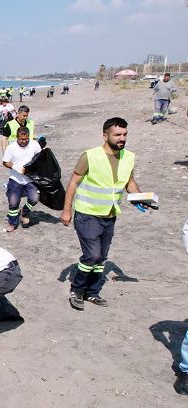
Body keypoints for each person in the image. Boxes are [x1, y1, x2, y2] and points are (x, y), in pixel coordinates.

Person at [60, 117, 147, 310]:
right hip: (87, 214)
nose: (122, 138)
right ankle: (77, 289)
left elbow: (129, 182)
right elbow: (73, 182)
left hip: (110, 214)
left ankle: (92, 292)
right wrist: (67, 210)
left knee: (101, 258)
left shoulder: (129, 157)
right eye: (117, 135)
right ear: (105, 135)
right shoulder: (89, 156)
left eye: (124, 134)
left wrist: (140, 198)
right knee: (92, 255)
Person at [2, 127, 41, 232]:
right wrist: (15, 167)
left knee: (34, 198)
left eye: (26, 139)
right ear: (17, 138)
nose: (24, 142)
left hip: (30, 179)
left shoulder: (35, 145)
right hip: (15, 179)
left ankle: (24, 212)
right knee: (13, 202)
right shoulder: (11, 148)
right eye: (21, 139)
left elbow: (40, 158)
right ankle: (12, 223)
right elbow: (5, 162)